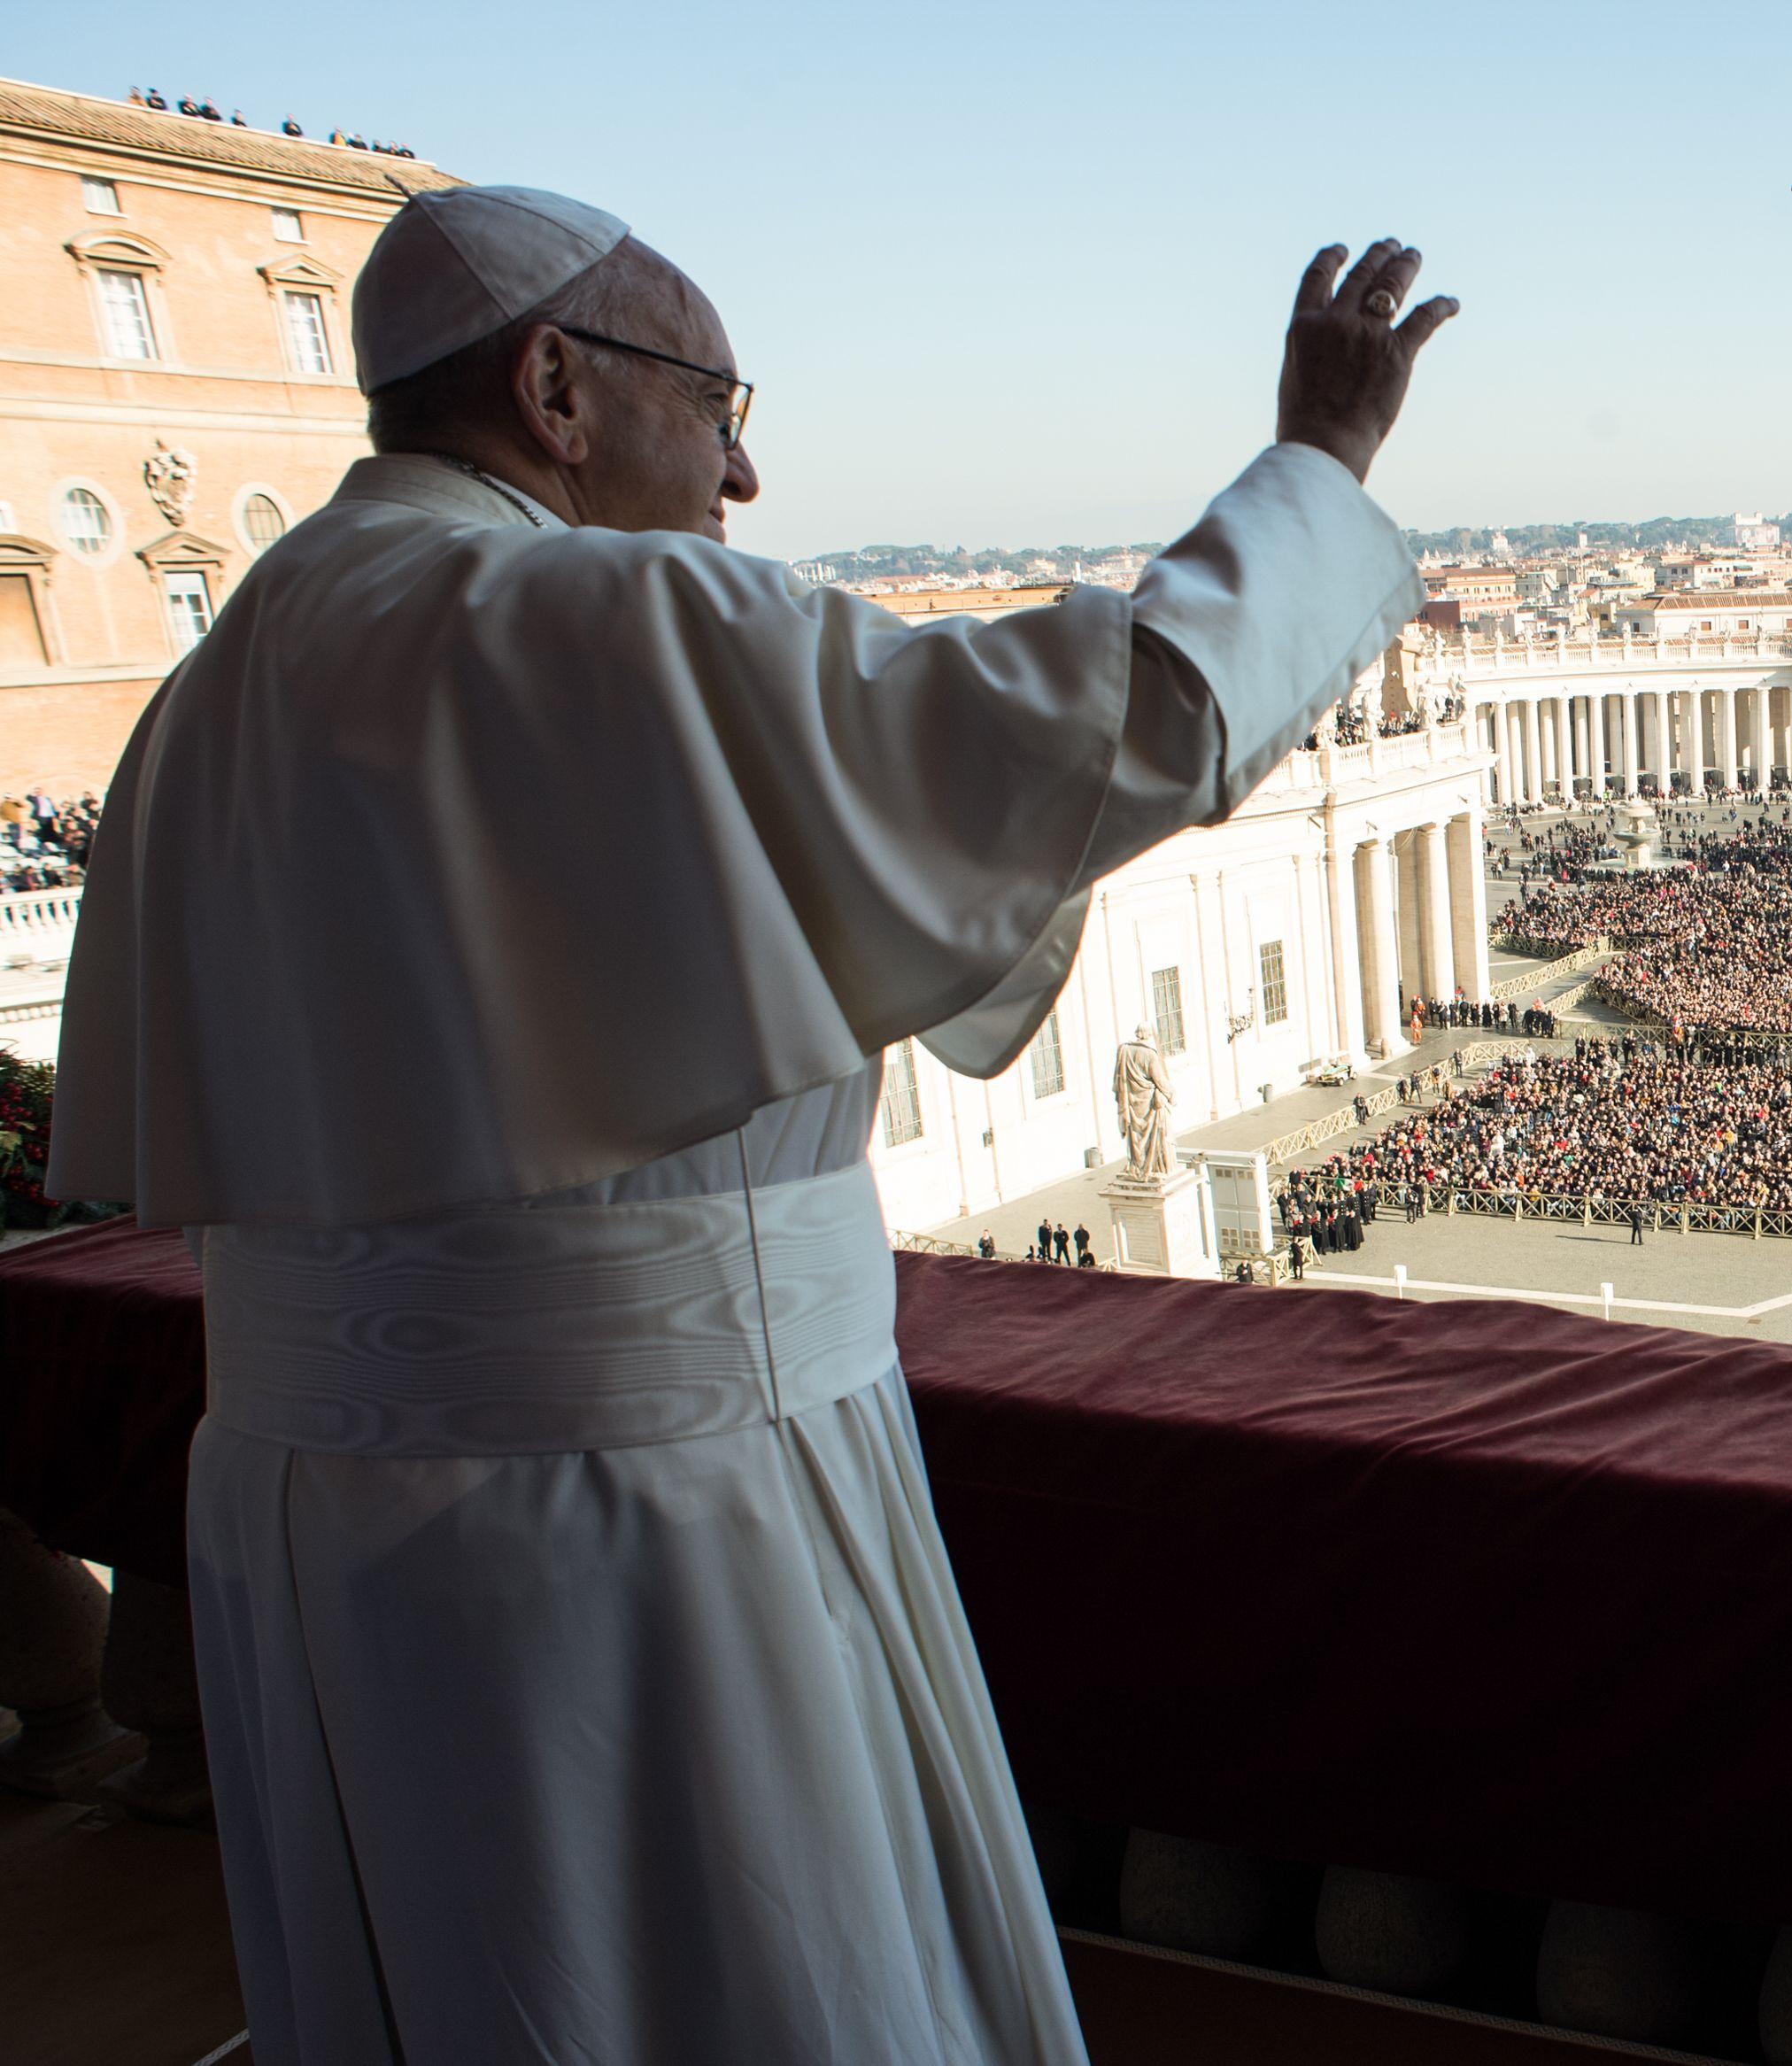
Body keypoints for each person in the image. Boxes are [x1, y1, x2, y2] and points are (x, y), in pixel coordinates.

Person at [49, 183, 1456, 2066]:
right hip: (648, 1495)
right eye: (717, 406)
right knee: (761, 1972)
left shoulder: (216, 684)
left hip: (321, 1521)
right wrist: (1318, 459)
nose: (746, 474)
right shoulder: (598, 615)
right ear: (555, 385)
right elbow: (1128, 723)